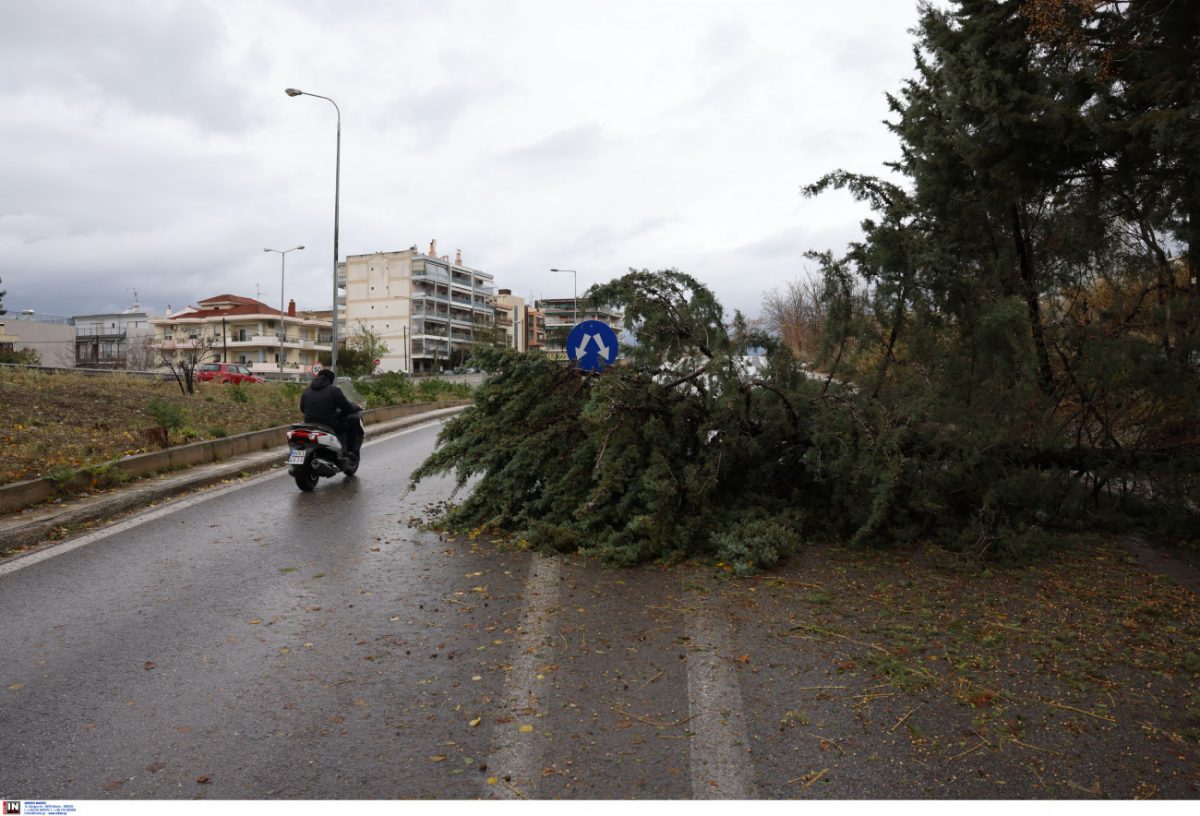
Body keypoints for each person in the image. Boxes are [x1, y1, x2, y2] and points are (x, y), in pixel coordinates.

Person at [300, 368, 363, 464]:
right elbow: (347, 408)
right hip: (329, 426)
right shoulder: (334, 390)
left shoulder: (307, 390)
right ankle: (349, 452)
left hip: (310, 425)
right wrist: (358, 407)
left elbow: (302, 409)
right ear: (330, 380)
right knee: (354, 419)